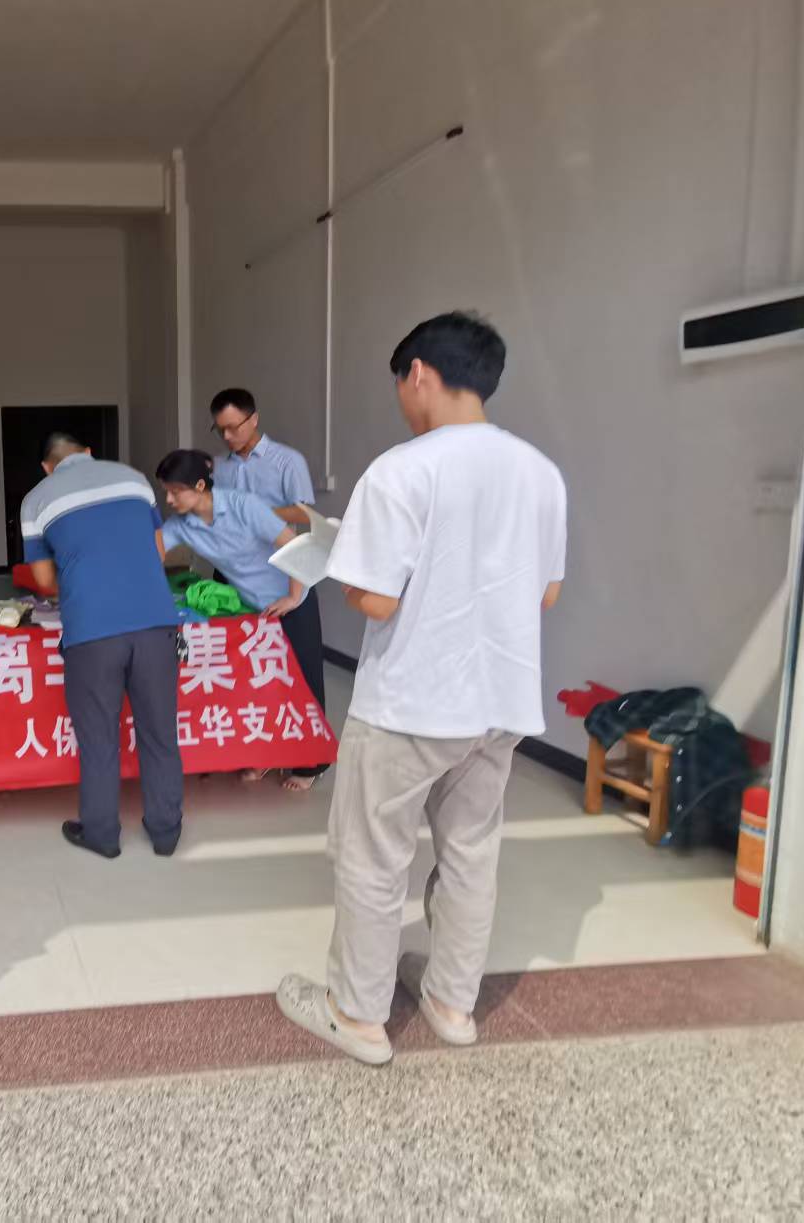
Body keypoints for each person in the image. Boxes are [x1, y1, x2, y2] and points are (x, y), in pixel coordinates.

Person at [275, 312, 566, 1067]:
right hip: (501, 702)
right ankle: (451, 1004)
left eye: (401, 386)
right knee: (471, 851)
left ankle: (358, 1016)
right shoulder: (541, 472)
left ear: (419, 375)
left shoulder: (402, 470)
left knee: (374, 856)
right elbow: (547, 593)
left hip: (411, 701)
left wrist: (340, 559)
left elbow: (376, 600)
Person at [21, 434, 184, 858]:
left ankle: (102, 834)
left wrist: (83, 582)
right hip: (156, 623)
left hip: (92, 633)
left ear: (47, 467)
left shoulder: (36, 500)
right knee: (160, 734)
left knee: (98, 737)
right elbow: (157, 552)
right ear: (89, 452)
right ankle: (166, 833)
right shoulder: (133, 479)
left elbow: (43, 580)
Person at [153, 450, 313, 791]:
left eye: (175, 491)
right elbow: (152, 553)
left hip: (291, 597)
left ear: (199, 486)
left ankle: (309, 764)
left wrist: (293, 597)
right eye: (166, 491)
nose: (168, 500)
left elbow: (296, 546)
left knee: (304, 683)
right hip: (254, 608)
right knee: (262, 683)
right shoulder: (181, 524)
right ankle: (266, 755)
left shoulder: (243, 506)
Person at [209, 387, 328, 739]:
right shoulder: (219, 466)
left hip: (284, 578)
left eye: (233, 427)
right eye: (220, 429)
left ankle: (309, 755)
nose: (227, 436)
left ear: (254, 419)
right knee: (244, 667)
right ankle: (257, 744)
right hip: (234, 578)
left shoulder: (287, 461)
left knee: (300, 666)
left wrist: (258, 513)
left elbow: (305, 513)